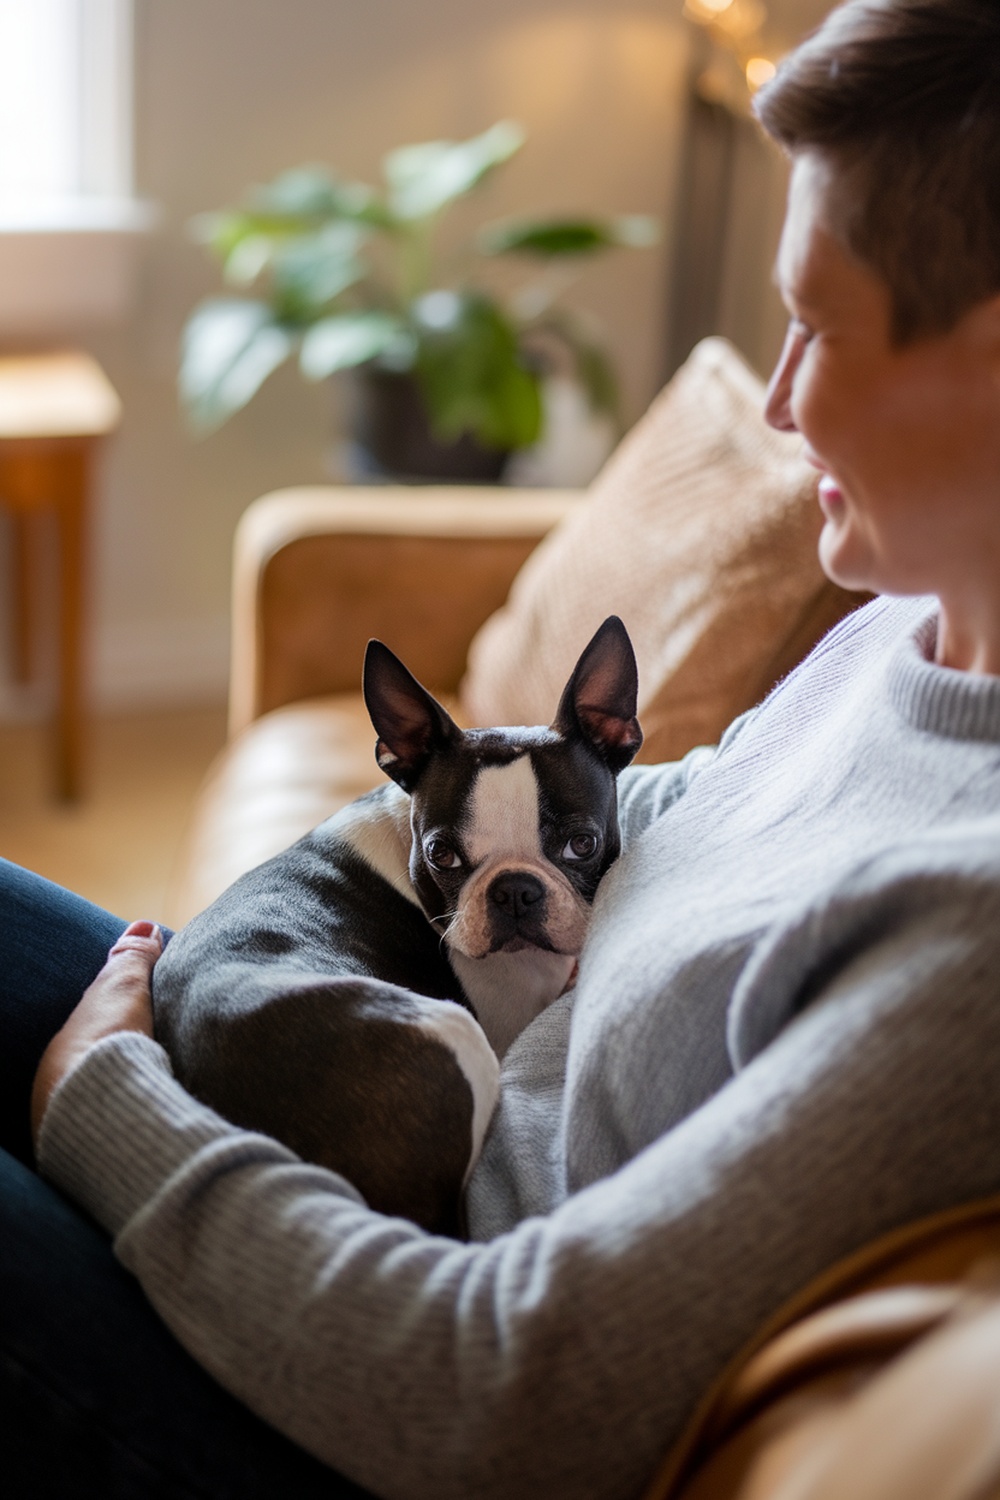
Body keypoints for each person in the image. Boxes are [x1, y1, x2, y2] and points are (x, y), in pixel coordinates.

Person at [6, 1, 1000, 1496]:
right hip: (326, 1209)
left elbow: (504, 1390)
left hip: (352, 1372)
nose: (780, 404)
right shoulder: (893, 641)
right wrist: (425, 832)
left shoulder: (973, 925)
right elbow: (671, 804)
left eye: (818, 325)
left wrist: (105, 1104)